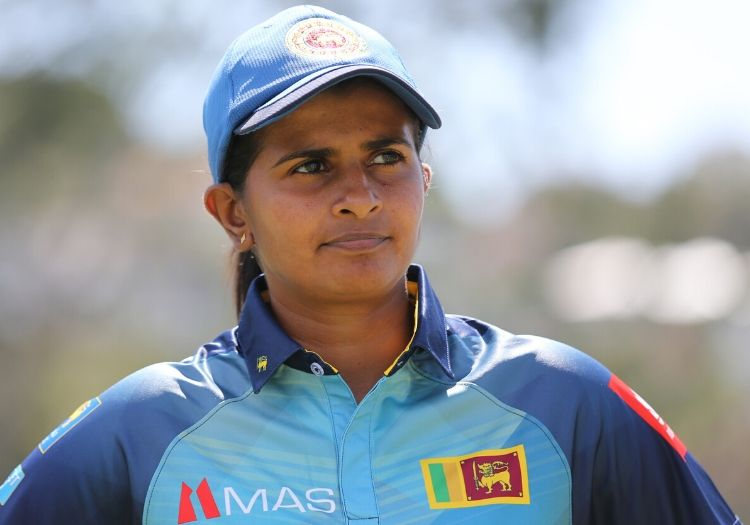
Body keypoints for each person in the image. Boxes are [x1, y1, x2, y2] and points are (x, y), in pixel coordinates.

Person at [0, 5, 742, 525]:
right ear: (232, 213)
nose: (360, 197)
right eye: (311, 165)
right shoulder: (140, 432)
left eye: (386, 156)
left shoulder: (564, 403)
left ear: (425, 178)